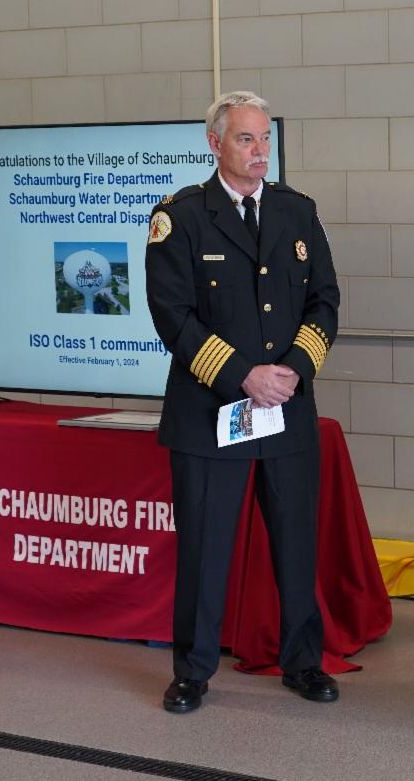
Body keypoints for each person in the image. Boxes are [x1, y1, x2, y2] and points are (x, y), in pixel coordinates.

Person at [145, 90, 341, 712]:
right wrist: (242, 376)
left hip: (286, 407)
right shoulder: (180, 217)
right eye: (246, 139)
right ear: (215, 144)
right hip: (210, 412)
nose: (260, 152)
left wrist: (293, 371)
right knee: (204, 549)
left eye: (265, 139)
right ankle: (192, 672)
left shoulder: (297, 211)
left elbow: (325, 301)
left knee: (295, 543)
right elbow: (172, 316)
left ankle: (303, 662)